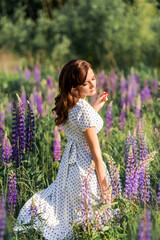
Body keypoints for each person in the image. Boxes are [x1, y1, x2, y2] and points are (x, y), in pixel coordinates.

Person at [14, 59, 111, 240]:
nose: (93, 84)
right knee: (91, 208)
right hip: (85, 165)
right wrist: (106, 190)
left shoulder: (70, 104)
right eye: (86, 83)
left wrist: (96, 106)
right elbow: (97, 155)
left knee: (70, 205)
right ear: (74, 89)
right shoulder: (84, 110)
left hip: (70, 164)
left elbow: (81, 125)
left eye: (93, 78)